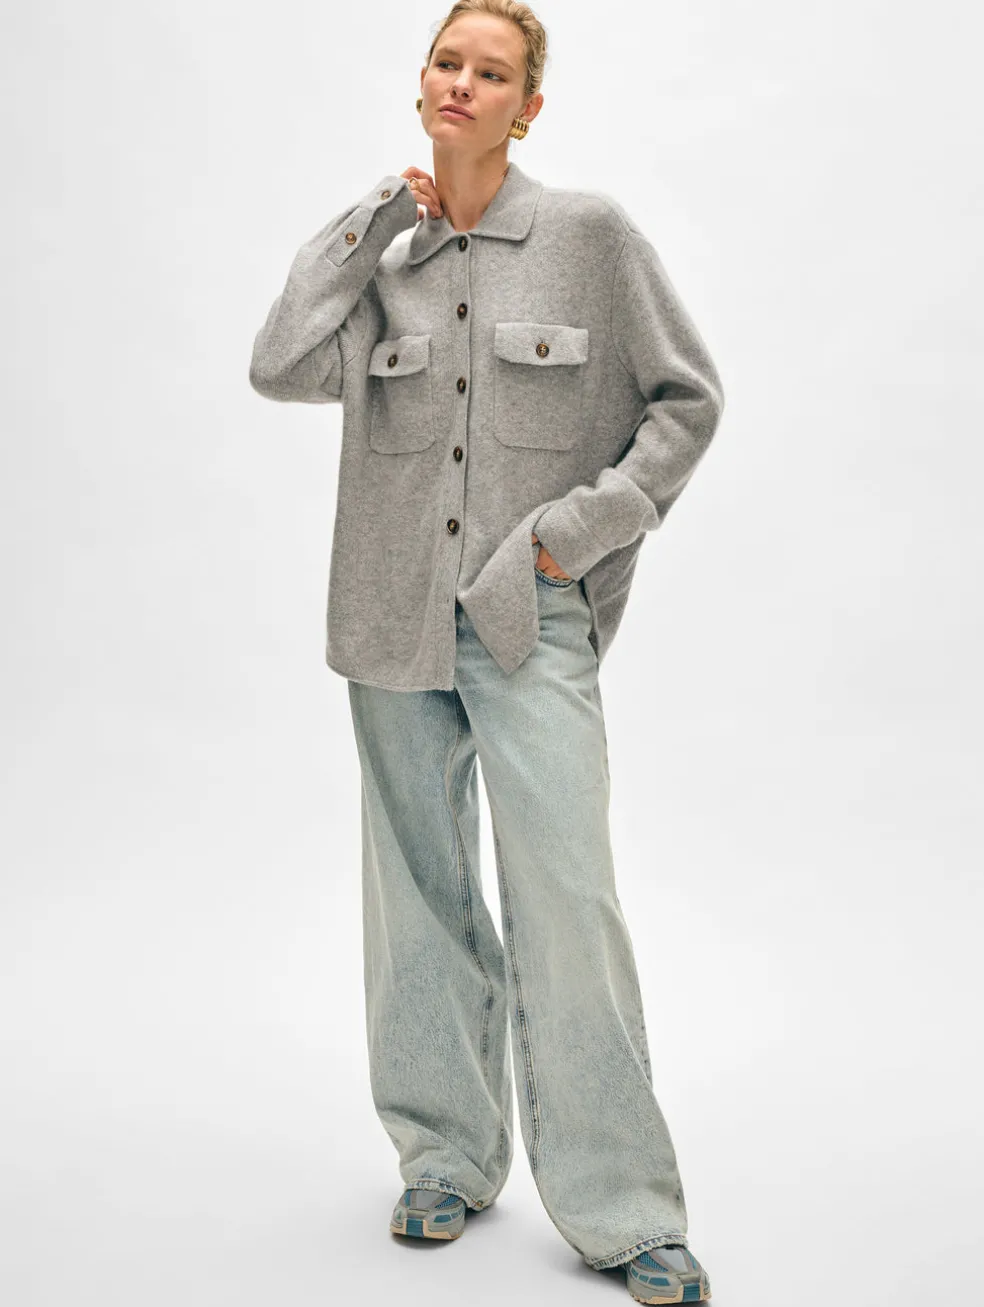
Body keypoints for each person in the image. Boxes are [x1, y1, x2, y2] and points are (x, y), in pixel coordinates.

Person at [249, 3, 723, 1301]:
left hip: (527, 618)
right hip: (388, 621)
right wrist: (368, 222)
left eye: (493, 71)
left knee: (569, 902)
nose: (464, 82)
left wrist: (574, 536)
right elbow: (278, 363)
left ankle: (624, 1209)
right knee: (418, 901)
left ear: (530, 106)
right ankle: (446, 1156)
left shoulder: (588, 237)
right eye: (447, 62)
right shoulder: (382, 267)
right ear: (422, 88)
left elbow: (686, 401)